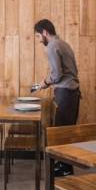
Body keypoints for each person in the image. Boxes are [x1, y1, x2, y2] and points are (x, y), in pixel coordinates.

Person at [34, 19, 81, 177]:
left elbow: (57, 74)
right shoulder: (64, 44)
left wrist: (45, 82)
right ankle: (65, 167)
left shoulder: (52, 46)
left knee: (61, 133)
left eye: (38, 36)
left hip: (65, 93)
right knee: (66, 131)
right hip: (72, 93)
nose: (38, 39)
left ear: (45, 33)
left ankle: (65, 169)